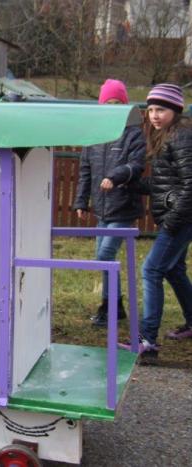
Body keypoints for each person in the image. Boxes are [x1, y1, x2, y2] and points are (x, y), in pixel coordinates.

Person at [118, 83, 192, 357]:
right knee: (174, 270)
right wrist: (132, 184)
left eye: (160, 109)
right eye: (150, 110)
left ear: (175, 110)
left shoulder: (182, 137)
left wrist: (172, 222)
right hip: (178, 217)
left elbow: (190, 185)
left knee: (151, 270)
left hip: (181, 219)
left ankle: (147, 339)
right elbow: (165, 184)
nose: (154, 116)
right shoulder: (168, 136)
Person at [72, 79, 146, 327]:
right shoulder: (95, 136)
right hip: (102, 210)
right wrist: (81, 201)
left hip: (123, 207)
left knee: (105, 254)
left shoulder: (133, 134)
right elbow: (85, 171)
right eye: (108, 103)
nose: (113, 107)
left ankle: (110, 307)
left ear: (125, 106)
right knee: (102, 258)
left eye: (117, 103)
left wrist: (115, 177)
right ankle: (115, 306)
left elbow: (136, 166)